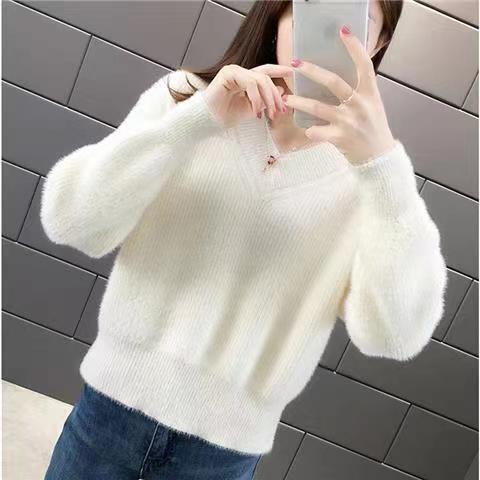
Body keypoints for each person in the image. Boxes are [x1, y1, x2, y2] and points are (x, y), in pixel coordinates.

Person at [42, 1, 448, 479]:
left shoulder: (374, 180)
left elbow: (395, 336)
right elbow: (71, 221)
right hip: (109, 413)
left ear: (379, 43)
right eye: (311, 9)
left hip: (221, 456)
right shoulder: (187, 98)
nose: (328, 33)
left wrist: (381, 167)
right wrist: (196, 121)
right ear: (277, 18)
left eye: (353, 20)